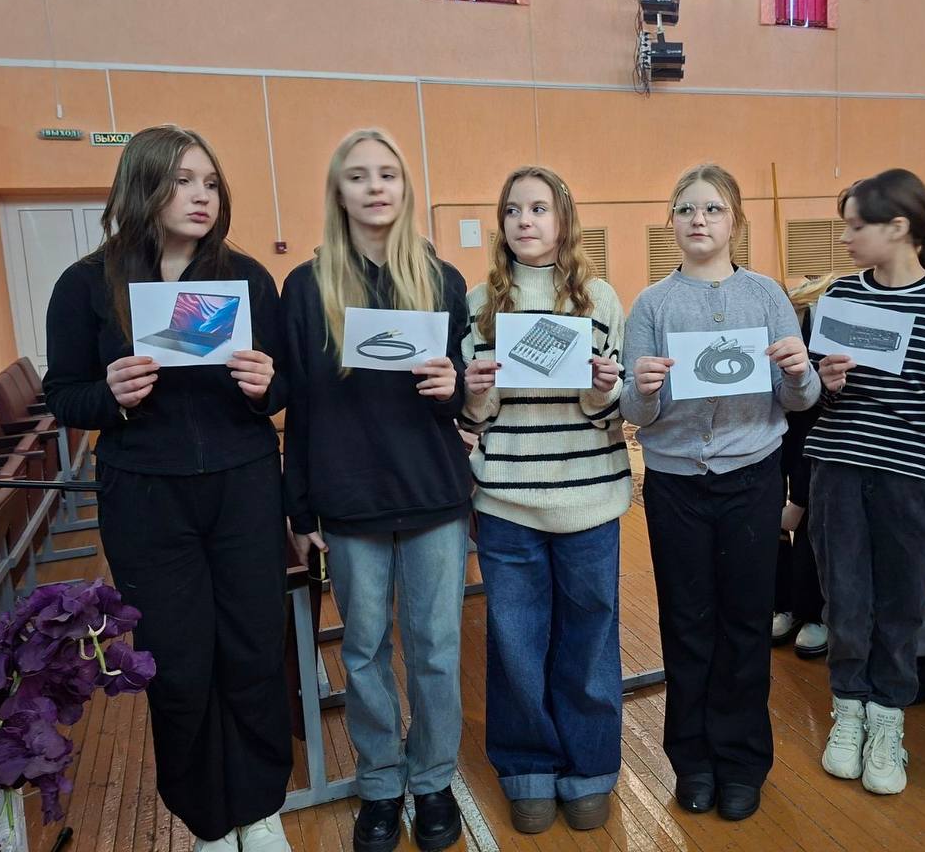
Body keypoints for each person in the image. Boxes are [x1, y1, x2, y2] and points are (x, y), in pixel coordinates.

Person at [43, 125, 292, 852]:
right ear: (143, 185)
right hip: (146, 498)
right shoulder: (86, 284)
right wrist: (112, 395)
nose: (200, 196)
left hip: (244, 488)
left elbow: (282, 391)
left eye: (210, 183)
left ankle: (260, 808)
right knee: (179, 663)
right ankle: (207, 819)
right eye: (183, 181)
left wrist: (266, 386)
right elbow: (65, 395)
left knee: (253, 652)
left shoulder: (249, 279)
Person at [282, 129, 471, 852]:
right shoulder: (306, 287)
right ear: (339, 191)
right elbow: (300, 407)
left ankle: (434, 781)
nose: (374, 187)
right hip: (349, 500)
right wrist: (299, 506)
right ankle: (381, 785)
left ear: (404, 187)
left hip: (432, 494)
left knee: (435, 650)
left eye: (387, 173)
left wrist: (453, 387)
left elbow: (457, 399)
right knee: (363, 651)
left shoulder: (442, 280)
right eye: (358, 175)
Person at [620, 163, 820, 821]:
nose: (698, 219)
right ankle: (693, 761)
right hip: (675, 484)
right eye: (686, 209)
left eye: (712, 208)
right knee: (687, 622)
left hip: (753, 480)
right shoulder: (651, 305)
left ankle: (741, 761)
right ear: (672, 223)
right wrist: (642, 389)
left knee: (745, 622)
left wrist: (800, 372)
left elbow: (800, 399)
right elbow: (635, 413)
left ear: (735, 220)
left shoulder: (767, 297)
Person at [461, 166, 631, 834]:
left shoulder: (600, 298)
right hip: (507, 499)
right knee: (515, 643)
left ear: (564, 219)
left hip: (589, 498)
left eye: (538, 208)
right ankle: (527, 769)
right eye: (512, 210)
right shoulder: (481, 301)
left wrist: (602, 387)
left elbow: (609, 410)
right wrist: (476, 390)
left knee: (589, 641)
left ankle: (590, 768)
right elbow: (475, 415)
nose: (524, 221)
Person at [805, 168, 925, 796]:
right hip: (838, 472)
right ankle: (848, 711)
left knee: (902, 606)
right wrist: (825, 384)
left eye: (857, 226)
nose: (845, 238)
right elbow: (815, 398)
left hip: (913, 480)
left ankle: (887, 721)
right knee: (845, 600)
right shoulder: (840, 296)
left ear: (899, 227)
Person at [772, 276, 833, 658]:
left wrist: (799, 497)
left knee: (811, 528)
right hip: (765, 448)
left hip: (808, 449)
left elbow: (813, 420)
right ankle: (783, 604)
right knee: (772, 528)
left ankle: (815, 612)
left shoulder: (811, 336)